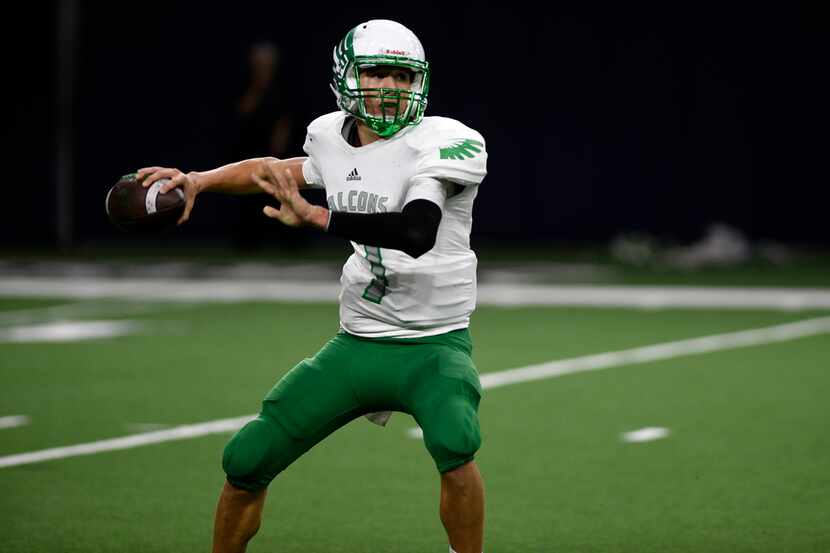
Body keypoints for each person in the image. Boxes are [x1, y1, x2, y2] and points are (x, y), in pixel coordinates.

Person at [137, 19, 488, 553]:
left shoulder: (446, 141)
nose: (391, 88)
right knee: (247, 457)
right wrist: (199, 181)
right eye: (376, 73)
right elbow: (276, 169)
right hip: (357, 342)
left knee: (456, 444)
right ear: (347, 77)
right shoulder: (329, 136)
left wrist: (319, 218)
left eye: (402, 75)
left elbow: (417, 232)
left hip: (433, 344)